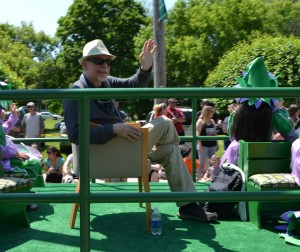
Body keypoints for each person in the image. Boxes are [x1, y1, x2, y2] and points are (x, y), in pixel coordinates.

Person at [63, 39, 217, 222]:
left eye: (108, 61)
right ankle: (172, 146)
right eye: (99, 61)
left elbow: (133, 84)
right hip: (105, 154)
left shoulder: (106, 83)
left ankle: (188, 206)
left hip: (124, 148)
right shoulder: (76, 93)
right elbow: (75, 134)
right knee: (165, 123)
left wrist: (145, 68)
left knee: (170, 150)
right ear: (85, 64)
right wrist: (114, 129)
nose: (105, 66)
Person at [221, 57, 298, 166]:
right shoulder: (275, 115)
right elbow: (293, 137)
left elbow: (232, 137)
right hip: (265, 163)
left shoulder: (235, 115)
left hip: (238, 162)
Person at [196, 105, 219, 179]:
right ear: (207, 112)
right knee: (202, 162)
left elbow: (215, 133)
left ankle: (211, 175)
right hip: (203, 145)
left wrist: (217, 143)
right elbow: (197, 134)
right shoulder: (200, 121)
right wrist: (199, 144)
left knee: (213, 161)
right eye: (211, 112)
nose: (213, 113)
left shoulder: (212, 121)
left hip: (212, 144)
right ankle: (201, 176)